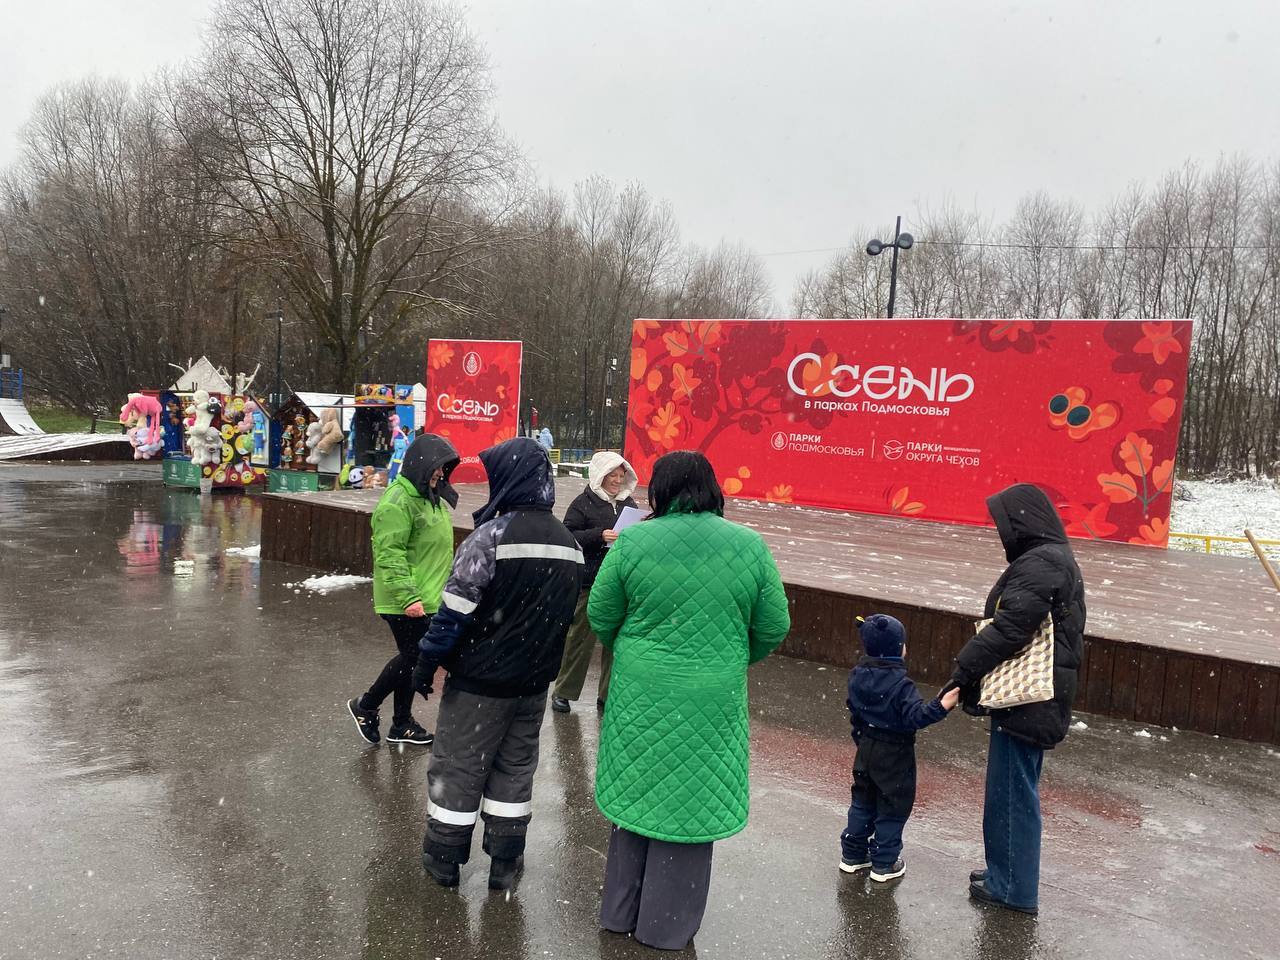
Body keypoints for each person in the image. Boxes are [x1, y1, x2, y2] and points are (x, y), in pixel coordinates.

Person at [588, 450, 791, 951]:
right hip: (713, 698)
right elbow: (773, 627)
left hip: (639, 690)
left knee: (635, 799)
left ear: (659, 490)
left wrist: (637, 652)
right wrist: (727, 658)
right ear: (711, 488)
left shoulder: (634, 541)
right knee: (689, 808)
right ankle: (665, 927)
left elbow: (601, 614)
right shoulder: (748, 545)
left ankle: (619, 914)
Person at [411, 437, 583, 890]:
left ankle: (444, 857)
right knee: (515, 768)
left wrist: (427, 663)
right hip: (531, 686)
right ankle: (506, 862)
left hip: (479, 685)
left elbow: (452, 614)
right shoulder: (568, 543)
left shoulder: (491, 537)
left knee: (459, 767)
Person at [949, 483, 1086, 916]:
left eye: (1004, 523)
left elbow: (1010, 628)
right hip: (1036, 698)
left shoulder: (1043, 561)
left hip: (1028, 699)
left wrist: (963, 670)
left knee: (1011, 795)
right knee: (1011, 790)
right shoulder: (1051, 558)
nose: (1000, 531)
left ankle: (1013, 889)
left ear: (1022, 521)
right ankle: (1003, 872)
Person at [346, 434, 459, 746]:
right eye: (437, 467)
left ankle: (401, 724)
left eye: (444, 469)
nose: (440, 473)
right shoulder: (398, 501)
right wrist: (408, 596)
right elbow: (389, 554)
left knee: (412, 659)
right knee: (415, 658)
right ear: (421, 464)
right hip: (406, 599)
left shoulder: (428, 497)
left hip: (428, 596)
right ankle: (366, 705)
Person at [840, 614, 960, 882]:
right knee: (893, 807)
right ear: (897, 648)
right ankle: (884, 863)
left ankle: (852, 854)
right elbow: (916, 716)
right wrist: (942, 705)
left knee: (862, 801)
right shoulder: (900, 684)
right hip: (895, 754)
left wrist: (861, 739)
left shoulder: (858, 674)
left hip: (866, 748)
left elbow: (854, 710)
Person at [550, 451, 639, 714]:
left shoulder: (629, 504)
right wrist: (599, 535)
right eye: (612, 475)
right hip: (590, 581)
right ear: (600, 474)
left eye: (621, 476)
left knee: (615, 641)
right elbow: (568, 534)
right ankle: (564, 692)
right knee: (580, 639)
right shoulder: (583, 503)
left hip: (619, 583)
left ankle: (607, 694)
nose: (617, 480)